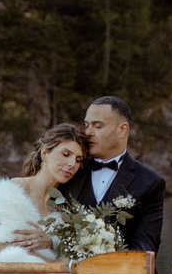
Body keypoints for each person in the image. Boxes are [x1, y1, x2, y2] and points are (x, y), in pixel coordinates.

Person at [0, 123, 87, 274]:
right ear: (45, 153)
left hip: (32, 271)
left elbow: (61, 252)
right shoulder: (13, 189)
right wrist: (57, 267)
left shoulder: (63, 208)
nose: (71, 164)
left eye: (78, 160)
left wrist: (56, 259)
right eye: (65, 154)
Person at [59, 96, 165, 254]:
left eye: (98, 126)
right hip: (68, 273)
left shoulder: (150, 183)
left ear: (122, 130)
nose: (88, 133)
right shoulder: (70, 169)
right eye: (87, 125)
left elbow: (145, 247)